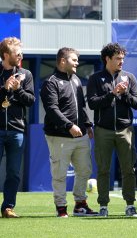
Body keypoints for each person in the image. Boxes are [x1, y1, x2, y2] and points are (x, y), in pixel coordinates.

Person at [40, 47, 98, 218]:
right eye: (74, 60)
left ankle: (80, 205)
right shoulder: (50, 82)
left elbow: (81, 105)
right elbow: (51, 109)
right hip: (59, 136)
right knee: (59, 174)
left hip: (80, 136)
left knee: (85, 171)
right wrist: (69, 125)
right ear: (63, 61)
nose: (77, 63)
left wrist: (87, 125)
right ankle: (61, 208)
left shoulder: (77, 80)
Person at [87, 42, 137, 217]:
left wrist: (123, 93)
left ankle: (130, 205)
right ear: (107, 59)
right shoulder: (95, 78)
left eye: (122, 58)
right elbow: (93, 103)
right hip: (103, 130)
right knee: (103, 169)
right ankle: (103, 205)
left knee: (128, 169)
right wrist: (112, 93)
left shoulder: (129, 77)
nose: (121, 61)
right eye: (117, 58)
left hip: (126, 129)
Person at [0, 37, 34, 218]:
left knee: (13, 172)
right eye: (16, 52)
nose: (20, 54)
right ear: (6, 55)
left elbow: (30, 101)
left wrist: (18, 89)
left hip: (16, 130)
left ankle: (8, 207)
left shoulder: (26, 74)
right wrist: (4, 89)